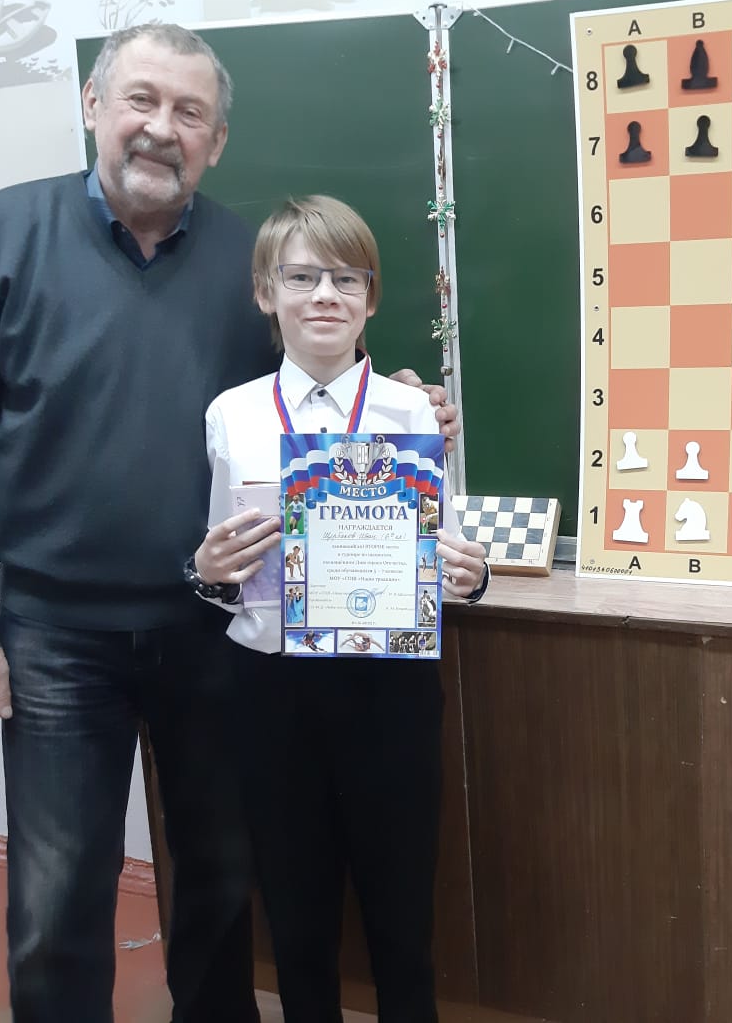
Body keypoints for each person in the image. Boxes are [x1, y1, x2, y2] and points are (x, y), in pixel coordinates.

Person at [0, 24, 456, 1023]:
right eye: (142, 100)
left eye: (189, 112)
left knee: (218, 881)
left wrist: (395, 410)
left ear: (218, 139)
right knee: (55, 897)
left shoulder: (252, 264)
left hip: (213, 630)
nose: (162, 128)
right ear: (92, 106)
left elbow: (304, 397)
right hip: (53, 635)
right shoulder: (0, 234)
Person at [189, 195, 489, 1022]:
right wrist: (207, 573)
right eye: (301, 277)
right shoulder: (232, 413)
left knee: (403, 913)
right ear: (265, 292)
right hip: (272, 690)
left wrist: (469, 577)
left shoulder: (415, 411)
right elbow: (220, 562)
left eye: (346, 278)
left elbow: (447, 554)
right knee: (295, 911)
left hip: (388, 687)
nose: (325, 294)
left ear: (370, 298)